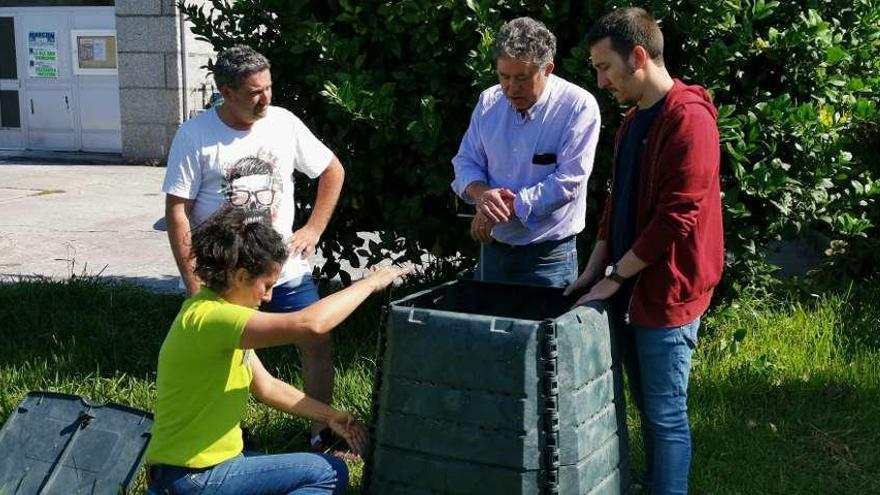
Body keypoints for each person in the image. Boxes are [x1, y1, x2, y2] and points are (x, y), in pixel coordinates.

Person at [564, 7, 724, 494]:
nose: (600, 81)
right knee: (645, 406)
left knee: (666, 414)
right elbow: (618, 204)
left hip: (668, 293)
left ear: (638, 56)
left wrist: (615, 275)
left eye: (604, 66)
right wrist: (591, 272)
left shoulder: (690, 121)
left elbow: (677, 218)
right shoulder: (633, 124)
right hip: (630, 288)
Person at [146, 208, 409, 495]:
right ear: (241, 276)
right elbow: (310, 323)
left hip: (193, 474)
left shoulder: (217, 316)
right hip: (193, 478)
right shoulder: (214, 319)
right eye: (267, 285)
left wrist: (330, 415)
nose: (269, 297)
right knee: (328, 471)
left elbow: (267, 387)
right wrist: (369, 283)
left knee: (300, 469)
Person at [162, 45, 345, 449]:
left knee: (316, 340)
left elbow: (332, 170)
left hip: (284, 269)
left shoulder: (283, 123)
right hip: (226, 277)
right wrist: (196, 286)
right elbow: (178, 212)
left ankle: (323, 433)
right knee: (224, 357)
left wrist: (313, 228)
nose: (266, 99)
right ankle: (229, 433)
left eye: (269, 88)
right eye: (253, 92)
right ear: (225, 92)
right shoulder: (194, 136)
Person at [451, 17, 601, 287]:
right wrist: (481, 193)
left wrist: (502, 208)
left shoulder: (578, 107)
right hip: (494, 249)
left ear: (548, 70)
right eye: (503, 76)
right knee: (486, 328)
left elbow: (569, 181)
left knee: (543, 329)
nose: (511, 88)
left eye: (522, 78)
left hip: (549, 257)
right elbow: (466, 161)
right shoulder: (489, 101)